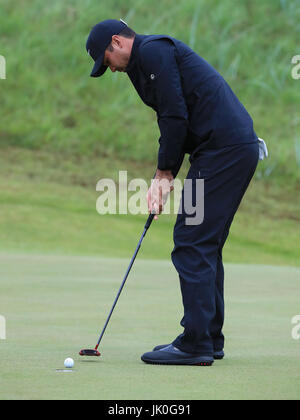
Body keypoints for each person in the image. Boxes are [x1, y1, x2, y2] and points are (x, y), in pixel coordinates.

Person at [86, 19, 268, 366]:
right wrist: (165, 174)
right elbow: (175, 118)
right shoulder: (144, 63)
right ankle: (209, 338)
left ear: (117, 42)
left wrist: (164, 171)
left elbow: (174, 115)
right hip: (223, 149)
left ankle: (196, 342)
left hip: (224, 149)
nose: (108, 69)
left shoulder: (153, 51)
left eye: (106, 60)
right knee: (204, 241)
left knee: (193, 240)